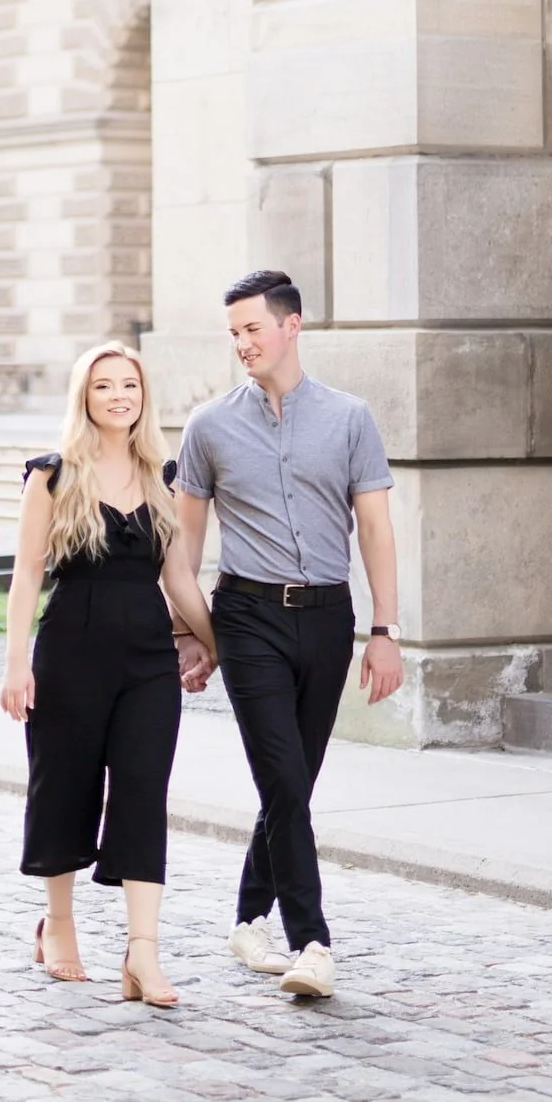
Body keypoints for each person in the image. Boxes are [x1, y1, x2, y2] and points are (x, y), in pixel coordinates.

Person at [174, 270, 403, 1002]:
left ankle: (248, 918)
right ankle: (312, 941)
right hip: (245, 618)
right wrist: (190, 633)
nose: (242, 343)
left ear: (292, 325)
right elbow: (183, 541)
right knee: (280, 775)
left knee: (291, 784)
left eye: (253, 328)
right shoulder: (208, 426)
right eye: (233, 332)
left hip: (328, 618)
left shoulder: (349, 418)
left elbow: (374, 528)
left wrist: (384, 630)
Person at [0, 339, 217, 1007]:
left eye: (129, 384)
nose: (118, 394)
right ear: (84, 398)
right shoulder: (54, 475)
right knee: (64, 786)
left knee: (142, 793)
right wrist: (15, 664)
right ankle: (57, 924)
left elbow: (178, 578)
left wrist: (213, 646)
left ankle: (142, 955)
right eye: (103, 386)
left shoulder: (163, 477)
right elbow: (26, 574)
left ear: (142, 395)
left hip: (147, 659)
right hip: (68, 653)